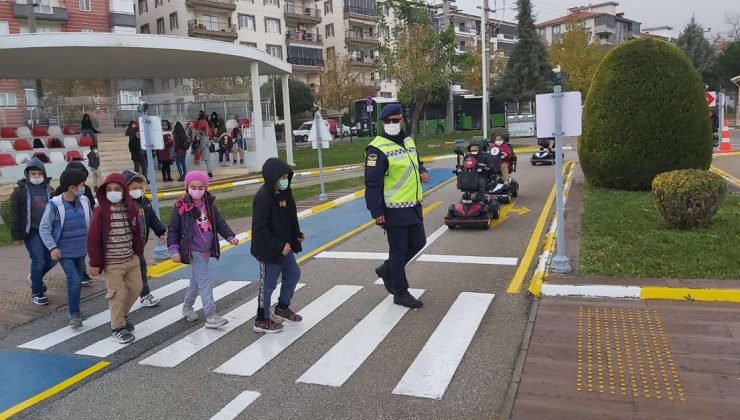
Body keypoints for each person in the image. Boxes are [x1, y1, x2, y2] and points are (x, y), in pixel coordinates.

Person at [365, 104, 428, 309]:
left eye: (396, 120)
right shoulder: (377, 148)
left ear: (402, 120)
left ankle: (387, 269)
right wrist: (376, 211)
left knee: (419, 242)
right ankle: (400, 292)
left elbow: (415, 161)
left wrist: (422, 170)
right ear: (382, 123)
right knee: (399, 251)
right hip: (393, 209)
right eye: (388, 121)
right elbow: (372, 183)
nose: (393, 124)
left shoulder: (408, 140)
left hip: (413, 204)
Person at [167, 171, 238, 329]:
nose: (197, 190)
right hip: (193, 250)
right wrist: (174, 250)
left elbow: (219, 222)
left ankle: (187, 307)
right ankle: (211, 315)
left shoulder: (209, 204)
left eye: (200, 187)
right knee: (205, 280)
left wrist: (230, 237)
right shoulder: (180, 207)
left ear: (205, 188)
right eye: (193, 187)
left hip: (206, 249)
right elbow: (172, 230)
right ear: (187, 187)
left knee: (196, 280)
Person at [87, 173, 144, 344]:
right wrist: (95, 263)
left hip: (130, 259)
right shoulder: (100, 212)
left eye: (117, 189)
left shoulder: (130, 209)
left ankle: (122, 315)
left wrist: (138, 253)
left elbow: (136, 232)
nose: (113, 193)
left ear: (124, 191)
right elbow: (94, 238)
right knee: (117, 295)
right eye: (110, 190)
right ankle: (117, 327)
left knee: (136, 288)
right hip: (112, 263)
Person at [250, 158, 305, 333]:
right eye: (281, 177)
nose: (285, 180)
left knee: (294, 273)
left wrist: (296, 235)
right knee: (268, 284)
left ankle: (282, 307)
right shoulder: (263, 198)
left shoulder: (285, 193)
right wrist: (278, 245)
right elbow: (259, 229)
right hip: (269, 250)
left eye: (287, 177)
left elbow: (290, 218)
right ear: (272, 177)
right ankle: (261, 319)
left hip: (285, 247)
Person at [39, 169, 92, 328]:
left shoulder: (84, 201)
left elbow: (91, 220)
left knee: (77, 282)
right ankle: (74, 314)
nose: (84, 188)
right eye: (81, 185)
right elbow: (44, 228)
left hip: (81, 250)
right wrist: (52, 247)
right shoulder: (55, 205)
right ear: (72, 188)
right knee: (74, 281)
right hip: (64, 252)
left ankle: (75, 310)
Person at [10, 158, 55, 305]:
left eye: (39, 173)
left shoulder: (49, 189)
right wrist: (16, 236)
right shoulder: (20, 192)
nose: (36, 176)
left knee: (54, 258)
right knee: (39, 260)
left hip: (48, 231)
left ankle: (35, 277)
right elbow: (15, 215)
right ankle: (37, 292)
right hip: (32, 232)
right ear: (27, 175)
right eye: (33, 174)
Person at [123, 170, 166, 308]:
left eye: (140, 188)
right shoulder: (122, 204)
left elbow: (152, 217)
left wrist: (160, 232)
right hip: (123, 246)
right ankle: (122, 295)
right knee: (123, 272)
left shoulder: (144, 201)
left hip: (139, 245)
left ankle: (145, 295)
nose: (137, 191)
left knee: (142, 268)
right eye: (134, 188)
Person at [466, 140, 496, 204]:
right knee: (463, 181)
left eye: (475, 150)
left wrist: (487, 168)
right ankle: (466, 198)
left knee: (480, 182)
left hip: (482, 176)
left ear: (480, 149)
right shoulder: (468, 156)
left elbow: (491, 166)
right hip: (470, 175)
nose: (473, 152)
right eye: (472, 150)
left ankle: (481, 200)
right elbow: (464, 164)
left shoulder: (486, 156)